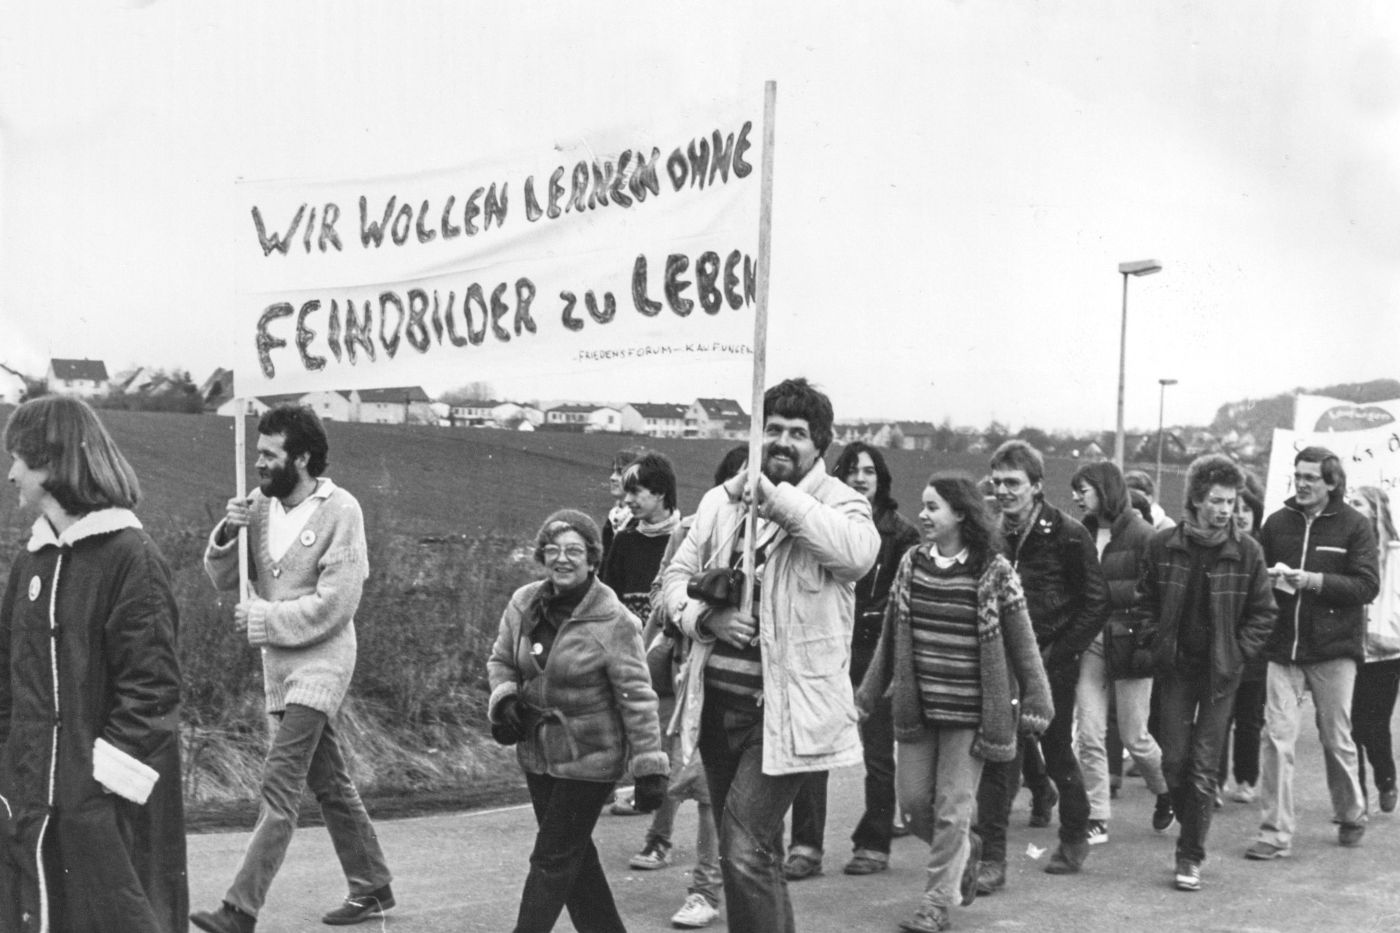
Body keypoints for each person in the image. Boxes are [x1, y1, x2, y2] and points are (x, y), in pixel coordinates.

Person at [662, 378, 879, 933]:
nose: (783, 442)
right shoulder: (720, 503)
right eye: (773, 430)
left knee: (741, 844)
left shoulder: (842, 504)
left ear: (820, 445)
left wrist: (777, 500)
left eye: (798, 434)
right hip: (716, 705)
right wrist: (705, 617)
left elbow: (857, 556)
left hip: (784, 711)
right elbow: (674, 582)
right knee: (759, 853)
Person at [192, 405, 394, 933]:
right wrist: (226, 531)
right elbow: (222, 579)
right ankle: (372, 884)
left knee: (280, 782)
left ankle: (239, 910)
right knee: (328, 780)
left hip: (323, 660)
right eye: (257, 452)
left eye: (269, 453)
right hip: (279, 664)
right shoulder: (258, 506)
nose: (258, 463)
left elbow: (336, 605)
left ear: (301, 457)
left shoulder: (341, 509)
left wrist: (263, 617)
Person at [0, 396, 186, 932]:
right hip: (30, 803)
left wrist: (97, 792)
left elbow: (152, 691)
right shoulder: (30, 562)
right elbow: (5, 680)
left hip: (101, 811)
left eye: (19, 458)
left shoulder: (131, 557)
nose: (11, 473)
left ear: (53, 464)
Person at [856, 472, 1053, 933]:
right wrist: (867, 693)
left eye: (932, 507)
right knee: (914, 807)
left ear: (960, 514)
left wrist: (1038, 696)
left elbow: (1023, 643)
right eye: (923, 507)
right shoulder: (911, 564)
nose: (922, 516)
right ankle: (965, 852)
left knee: (951, 809)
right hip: (919, 709)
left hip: (971, 716)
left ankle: (935, 903)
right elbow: (890, 637)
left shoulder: (995, 571)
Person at [487, 509, 669, 933]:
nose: (562, 559)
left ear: (592, 559)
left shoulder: (615, 620)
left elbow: (638, 697)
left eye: (574, 551)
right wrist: (506, 699)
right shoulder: (523, 603)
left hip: (592, 756)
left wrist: (648, 766)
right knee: (575, 859)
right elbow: (500, 660)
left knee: (552, 858)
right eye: (553, 550)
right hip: (537, 753)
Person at [1134, 454, 1276, 891]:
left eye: (1231, 502)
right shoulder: (1162, 546)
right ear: (1196, 499)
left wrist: (1237, 653)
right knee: (1173, 761)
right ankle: (1188, 815)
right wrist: (1157, 642)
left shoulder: (1248, 551)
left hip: (1220, 675)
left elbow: (1263, 614)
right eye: (1217, 500)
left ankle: (1190, 855)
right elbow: (1143, 603)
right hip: (1175, 671)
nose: (1225, 510)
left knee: (1202, 767)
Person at [972, 441, 1109, 893]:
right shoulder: (990, 532)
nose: (1005, 491)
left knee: (1055, 750)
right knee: (998, 755)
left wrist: (1059, 654)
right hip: (1000, 662)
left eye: (1014, 483)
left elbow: (1095, 603)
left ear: (1036, 485)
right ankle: (992, 860)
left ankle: (1073, 835)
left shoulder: (1069, 534)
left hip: (1053, 660)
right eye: (998, 482)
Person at [785, 441, 921, 880]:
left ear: (881, 479)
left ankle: (874, 842)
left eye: (869, 471)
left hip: (875, 650)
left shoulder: (901, 534)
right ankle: (806, 846)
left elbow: (908, 604)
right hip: (826, 643)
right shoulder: (821, 523)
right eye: (852, 471)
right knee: (815, 746)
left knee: (878, 752)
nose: (861, 478)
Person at [1248, 446, 1379, 860]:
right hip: (1282, 648)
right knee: (1276, 737)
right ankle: (1275, 834)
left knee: (1336, 738)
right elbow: (1256, 577)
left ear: (1331, 483)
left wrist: (1314, 580)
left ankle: (1351, 811)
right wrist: (1269, 580)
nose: (1301, 484)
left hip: (1334, 650)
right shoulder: (1276, 522)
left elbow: (1366, 586)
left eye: (1310, 478)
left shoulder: (1355, 526)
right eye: (1298, 476)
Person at [636, 445, 746, 930]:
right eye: (744, 475)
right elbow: (664, 590)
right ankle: (703, 886)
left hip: (758, 687)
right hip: (693, 674)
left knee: (715, 790)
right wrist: (700, 613)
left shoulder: (782, 534)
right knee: (698, 781)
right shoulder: (694, 528)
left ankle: (727, 884)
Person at [1069, 461, 1173, 845]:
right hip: (1092, 643)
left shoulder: (1145, 536)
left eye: (1084, 490)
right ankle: (1096, 815)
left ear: (1104, 489)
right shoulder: (1080, 533)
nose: (1077, 498)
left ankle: (1165, 792)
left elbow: (1159, 595)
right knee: (1090, 732)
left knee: (1135, 736)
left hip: (1131, 643)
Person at [1346, 485, 1400, 814]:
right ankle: (1358, 798)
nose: (1350, 508)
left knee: (1374, 723)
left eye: (1357, 503)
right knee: (1350, 726)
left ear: (1376, 511)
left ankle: (1387, 777)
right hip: (1350, 649)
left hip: (1389, 653)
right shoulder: (1348, 551)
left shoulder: (1397, 554)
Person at [1219, 489, 1268, 804]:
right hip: (1223, 646)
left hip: (1256, 649)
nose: (1240, 514)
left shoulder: (1266, 548)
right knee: (1218, 717)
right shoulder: (1219, 546)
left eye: (1247, 508)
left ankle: (1247, 779)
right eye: (1235, 508)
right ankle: (1215, 782)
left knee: (1249, 719)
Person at [602, 445, 648, 563]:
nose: (612, 478)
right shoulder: (613, 518)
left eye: (620, 472)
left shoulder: (641, 522)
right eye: (613, 471)